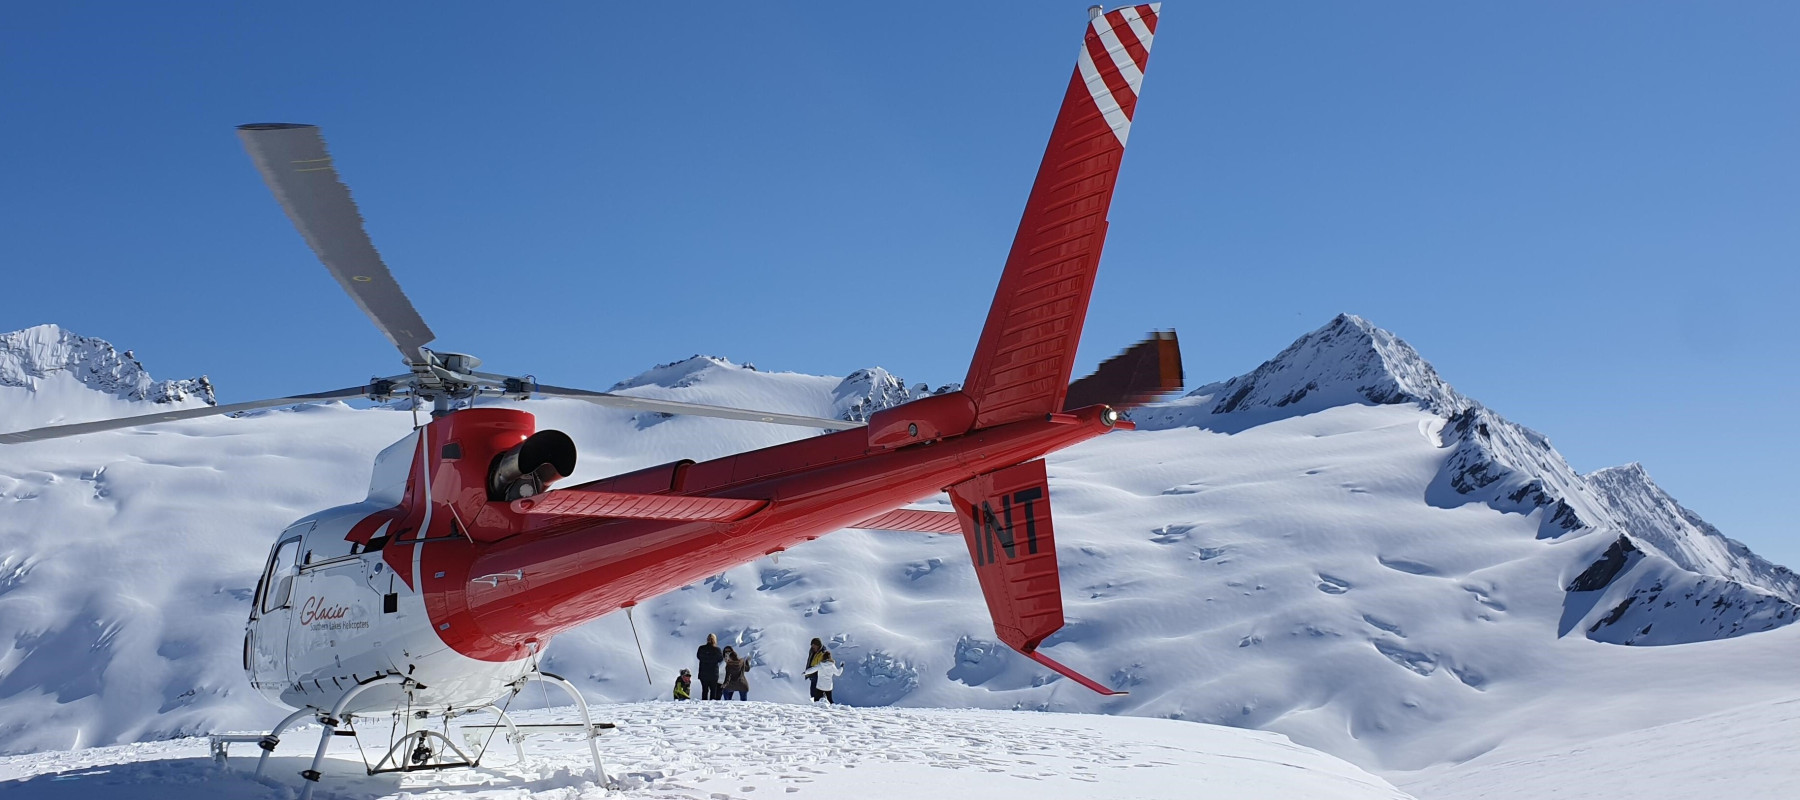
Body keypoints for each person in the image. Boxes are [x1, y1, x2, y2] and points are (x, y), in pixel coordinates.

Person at [695, 634, 724, 700]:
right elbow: (720, 659)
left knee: (704, 690)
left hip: (703, 673)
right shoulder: (717, 650)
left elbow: (698, 656)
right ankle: (711, 706)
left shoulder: (701, 648)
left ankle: (703, 705)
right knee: (713, 691)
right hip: (713, 674)